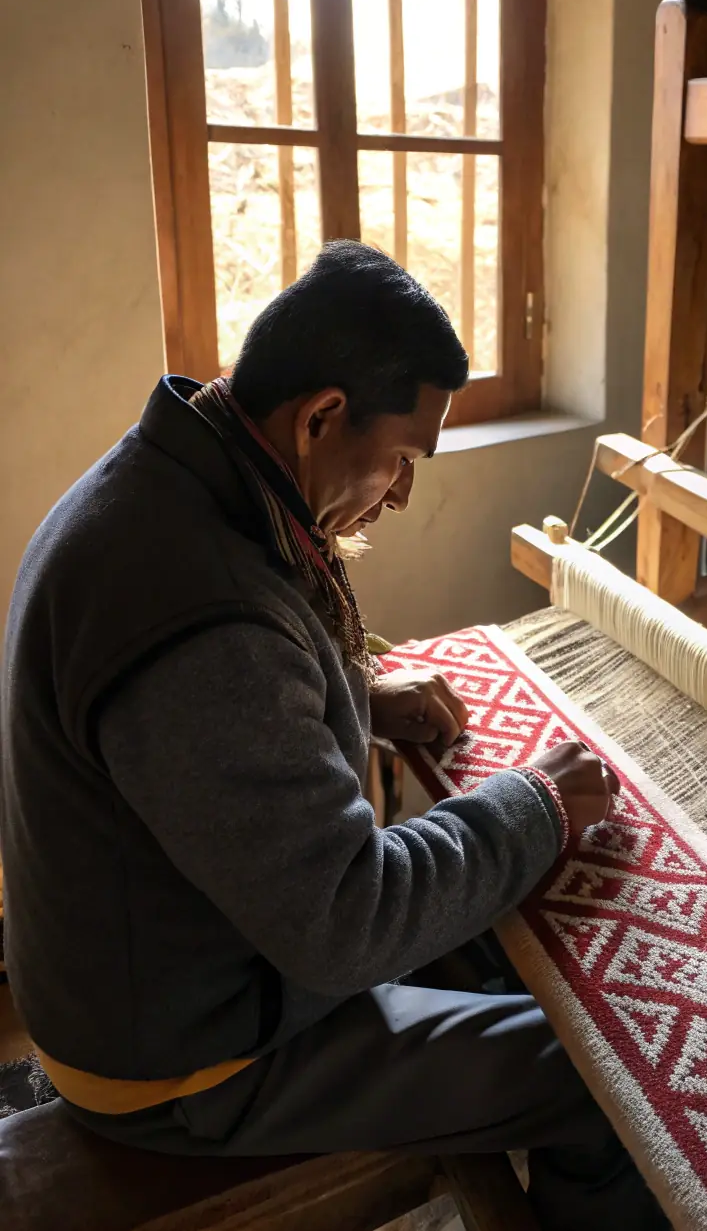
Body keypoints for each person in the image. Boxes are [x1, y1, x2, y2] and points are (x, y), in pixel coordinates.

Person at [0, 241, 668, 1230]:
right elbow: (347, 923)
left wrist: (353, 696)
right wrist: (530, 805)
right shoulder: (206, 625)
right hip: (191, 1064)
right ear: (319, 417)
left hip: (147, 982)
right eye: (402, 456)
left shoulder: (158, 487)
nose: (399, 493)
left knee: (491, 946)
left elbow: (220, 736)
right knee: (616, 1085)